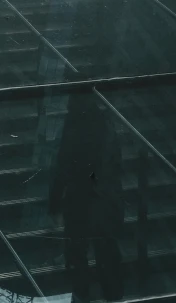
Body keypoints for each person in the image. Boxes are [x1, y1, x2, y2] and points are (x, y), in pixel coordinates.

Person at [49, 92, 124, 303]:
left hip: (82, 196)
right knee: (105, 250)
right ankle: (112, 294)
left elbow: (64, 162)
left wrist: (55, 200)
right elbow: (115, 162)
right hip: (104, 196)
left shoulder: (75, 123)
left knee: (78, 249)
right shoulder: (105, 121)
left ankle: (83, 293)